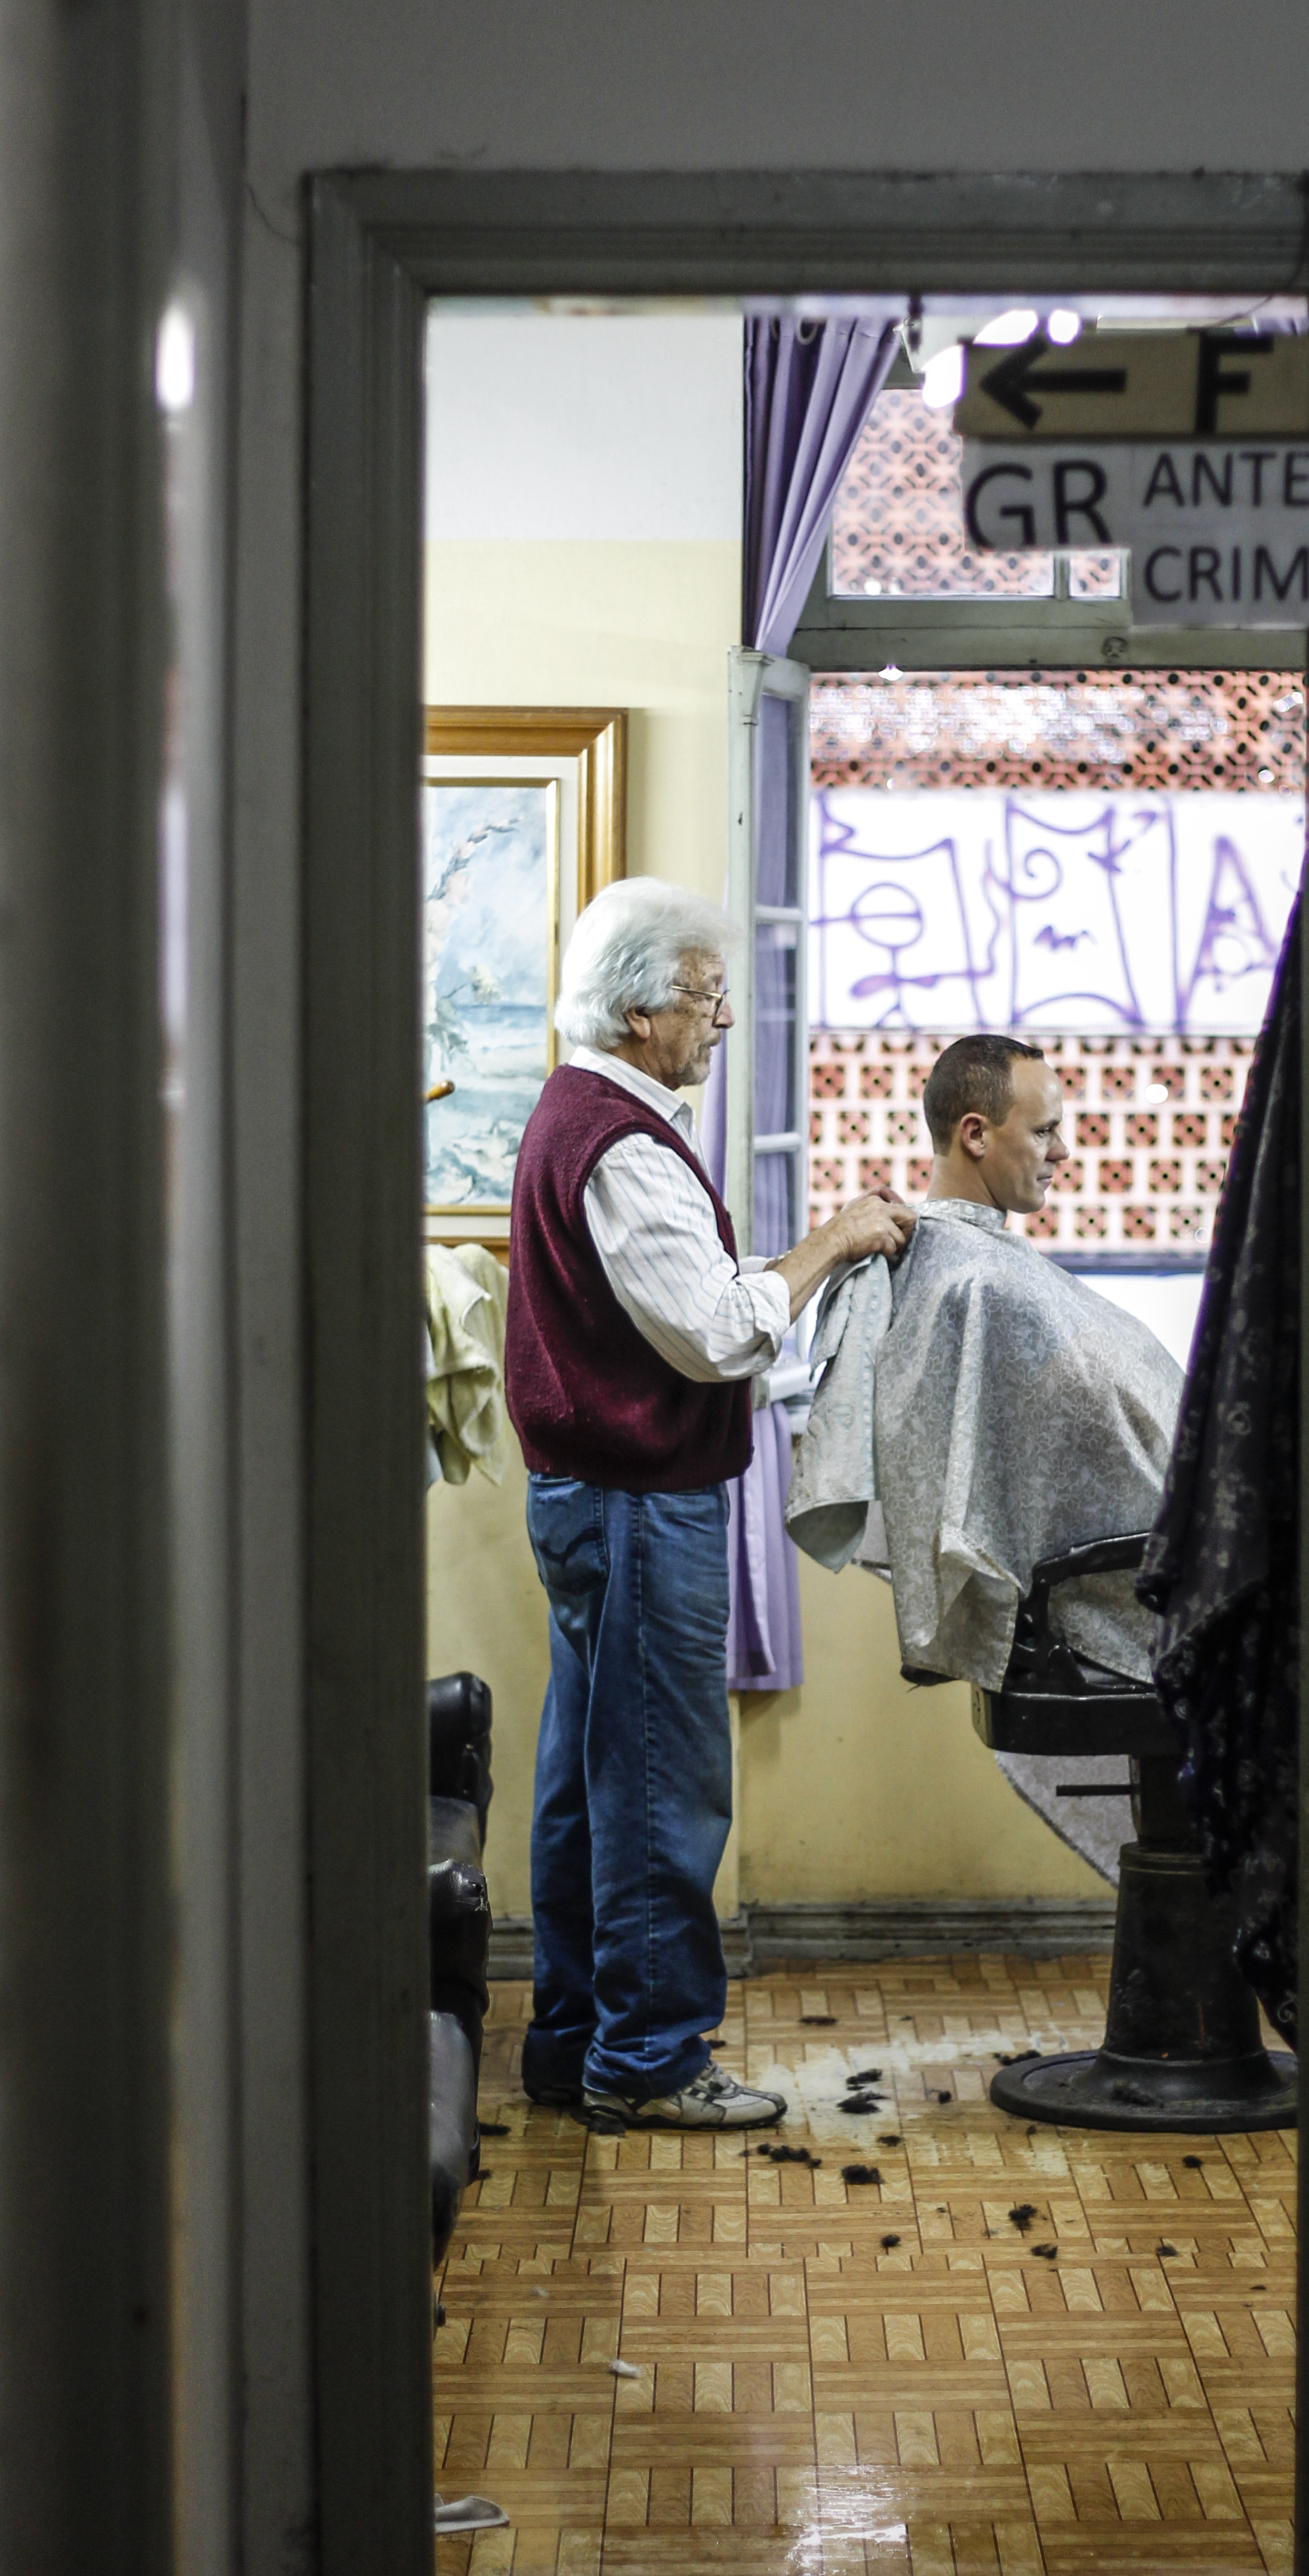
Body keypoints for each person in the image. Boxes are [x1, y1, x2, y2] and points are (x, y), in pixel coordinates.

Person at [504, 877, 913, 2126]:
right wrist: (833, 1241)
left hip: (598, 1499)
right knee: (660, 1793)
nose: (720, 1018)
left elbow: (691, 1305)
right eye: (701, 993)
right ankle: (650, 2065)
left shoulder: (584, 1116)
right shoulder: (621, 1142)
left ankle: (577, 2044)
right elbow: (719, 1332)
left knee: (589, 1783)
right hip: (638, 1507)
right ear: (637, 1011)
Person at [785, 1034, 1187, 1688]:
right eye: (1046, 1131)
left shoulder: (953, 1265)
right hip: (1144, 1586)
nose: (1063, 1151)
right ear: (976, 1134)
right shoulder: (982, 1285)